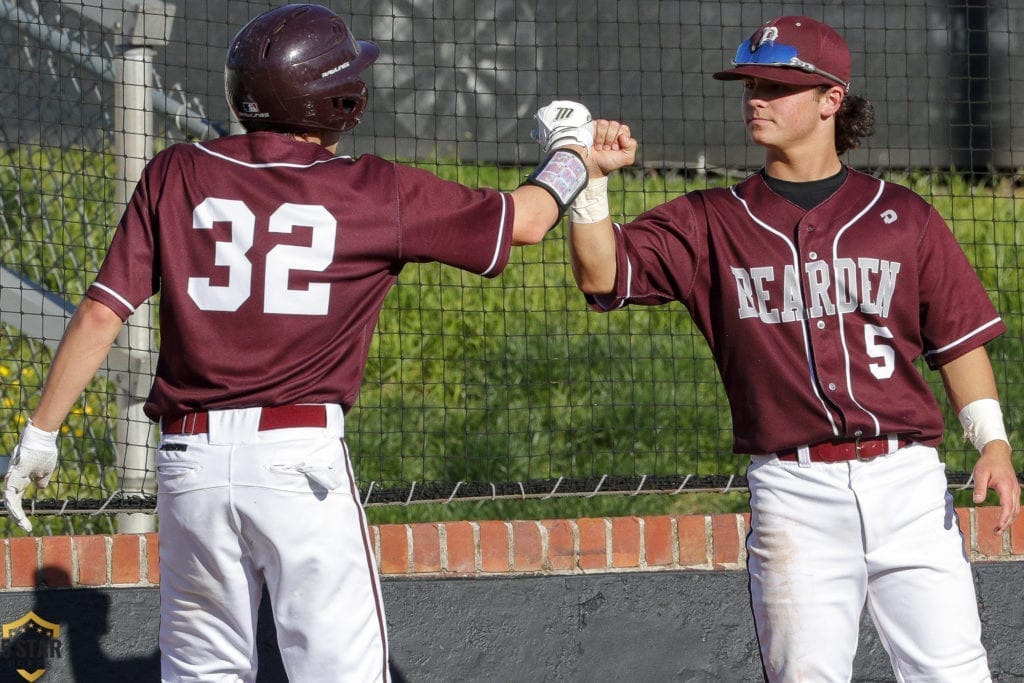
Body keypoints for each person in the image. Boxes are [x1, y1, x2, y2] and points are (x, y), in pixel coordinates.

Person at [2, 4, 589, 682]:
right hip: (296, 461)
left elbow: (104, 312)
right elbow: (527, 220)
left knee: (203, 674)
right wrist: (570, 152)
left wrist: (41, 432)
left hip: (189, 463)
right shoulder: (374, 190)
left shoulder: (176, 173)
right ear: (335, 98)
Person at [535, 15, 1021, 682]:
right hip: (794, 490)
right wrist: (590, 185)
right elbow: (602, 275)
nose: (756, 97)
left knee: (957, 674)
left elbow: (957, 338)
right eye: (751, 84)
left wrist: (991, 440)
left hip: (907, 482)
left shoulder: (902, 215)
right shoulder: (710, 220)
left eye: (777, 85)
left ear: (830, 100)